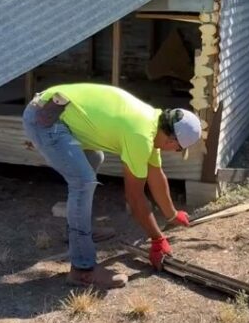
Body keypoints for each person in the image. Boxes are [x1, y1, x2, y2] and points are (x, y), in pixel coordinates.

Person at [23, 82, 202, 290]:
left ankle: (77, 235)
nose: (175, 152)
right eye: (179, 149)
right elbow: (135, 199)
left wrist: (172, 214)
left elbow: (156, 175)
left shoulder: (151, 123)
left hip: (55, 111)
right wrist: (157, 239)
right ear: (172, 139)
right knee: (83, 181)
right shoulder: (140, 136)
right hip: (46, 119)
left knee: (94, 158)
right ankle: (82, 270)